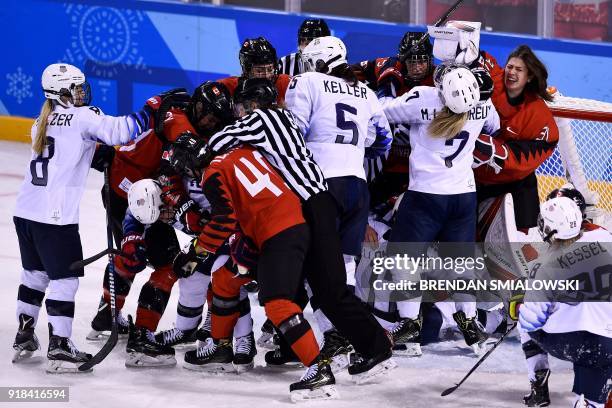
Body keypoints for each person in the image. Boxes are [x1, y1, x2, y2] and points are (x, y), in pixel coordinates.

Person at [207, 77, 395, 382]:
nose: (239, 113)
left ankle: (371, 346)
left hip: (313, 204)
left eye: (242, 106)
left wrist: (193, 153)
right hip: (319, 201)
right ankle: (368, 345)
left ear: (254, 103)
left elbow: (218, 142)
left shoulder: (264, 118)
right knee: (322, 287)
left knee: (327, 288)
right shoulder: (280, 121)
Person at [12, 63, 152, 373]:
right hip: (55, 217)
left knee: (34, 274)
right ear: (61, 93)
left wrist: (94, 152)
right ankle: (59, 344)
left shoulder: (41, 121)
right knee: (65, 280)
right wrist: (152, 110)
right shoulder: (82, 116)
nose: (81, 92)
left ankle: (24, 335)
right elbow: (124, 130)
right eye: (75, 87)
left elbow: (68, 151)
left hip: (25, 211)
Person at [285, 35, 392, 369]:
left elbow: (291, 133)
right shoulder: (365, 92)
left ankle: (348, 337)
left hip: (320, 186)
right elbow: (383, 139)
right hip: (357, 187)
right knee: (340, 272)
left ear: (320, 60)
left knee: (317, 271)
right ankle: (347, 337)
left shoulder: (306, 82)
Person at [382, 63, 500, 354]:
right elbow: (494, 128)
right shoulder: (483, 103)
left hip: (425, 196)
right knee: (459, 264)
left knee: (403, 260)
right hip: (463, 196)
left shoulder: (425, 97)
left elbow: (383, 110)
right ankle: (470, 322)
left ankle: (409, 323)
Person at [518, 196, 612, 408]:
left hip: (574, 343)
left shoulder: (543, 265)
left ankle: (538, 386)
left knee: (523, 321)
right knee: (595, 388)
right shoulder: (604, 236)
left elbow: (531, 321)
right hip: (610, 343)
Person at [473, 45, 559, 236]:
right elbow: (479, 58)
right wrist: (466, 45)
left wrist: (498, 151)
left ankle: (527, 237)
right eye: (510, 67)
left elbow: (545, 144)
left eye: (519, 70)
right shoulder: (494, 82)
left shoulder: (537, 113)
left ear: (529, 77)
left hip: (512, 180)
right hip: (474, 177)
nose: (511, 72)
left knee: (526, 239)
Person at [218, 37, 291, 103]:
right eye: (259, 71)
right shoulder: (227, 87)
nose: (266, 75)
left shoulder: (285, 83)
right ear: (247, 70)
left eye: (269, 69)